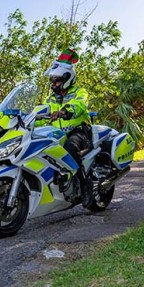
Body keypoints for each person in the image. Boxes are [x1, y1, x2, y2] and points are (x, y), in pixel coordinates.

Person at [43, 49, 94, 206]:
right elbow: (41, 113)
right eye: (52, 81)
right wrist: (27, 119)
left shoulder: (80, 92)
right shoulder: (50, 99)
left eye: (57, 81)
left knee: (70, 147)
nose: (54, 85)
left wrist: (65, 111)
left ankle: (85, 185)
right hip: (57, 135)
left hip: (79, 131)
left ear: (67, 78)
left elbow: (80, 105)